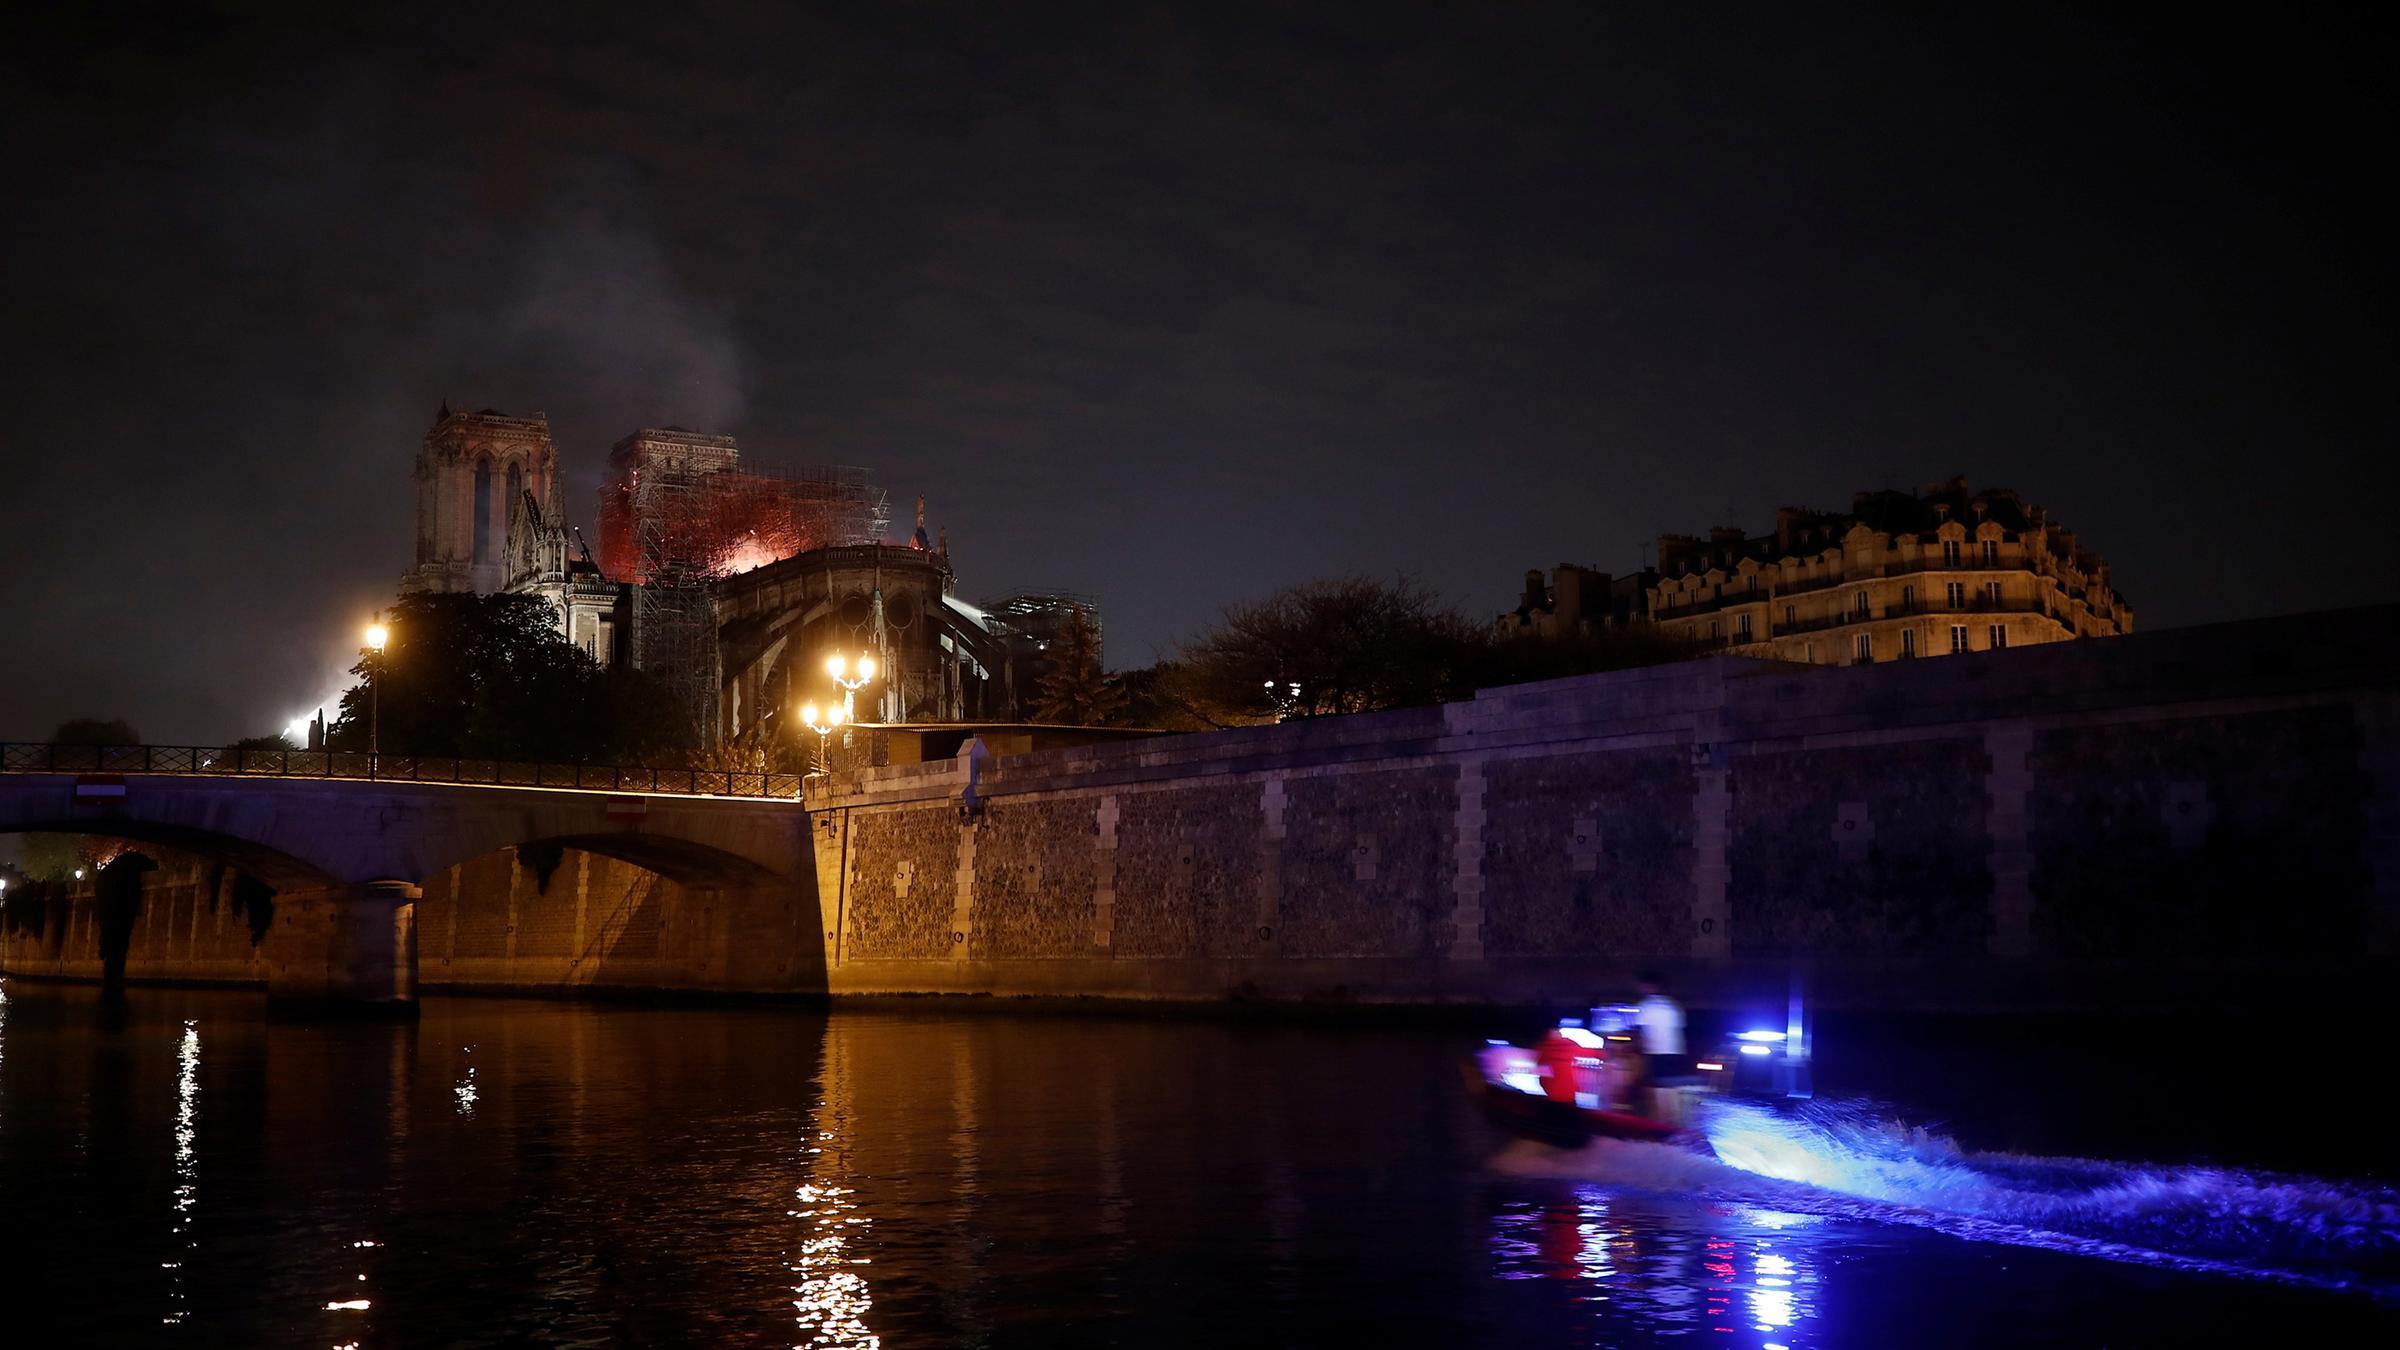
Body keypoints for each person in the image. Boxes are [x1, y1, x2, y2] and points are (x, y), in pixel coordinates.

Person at [1634, 972, 1688, 1083]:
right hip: (1676, 1055)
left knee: (1654, 1088)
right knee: (1670, 1088)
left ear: (1649, 986)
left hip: (1655, 1055)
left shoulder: (1646, 1005)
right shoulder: (1673, 1005)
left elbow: (1641, 1035)